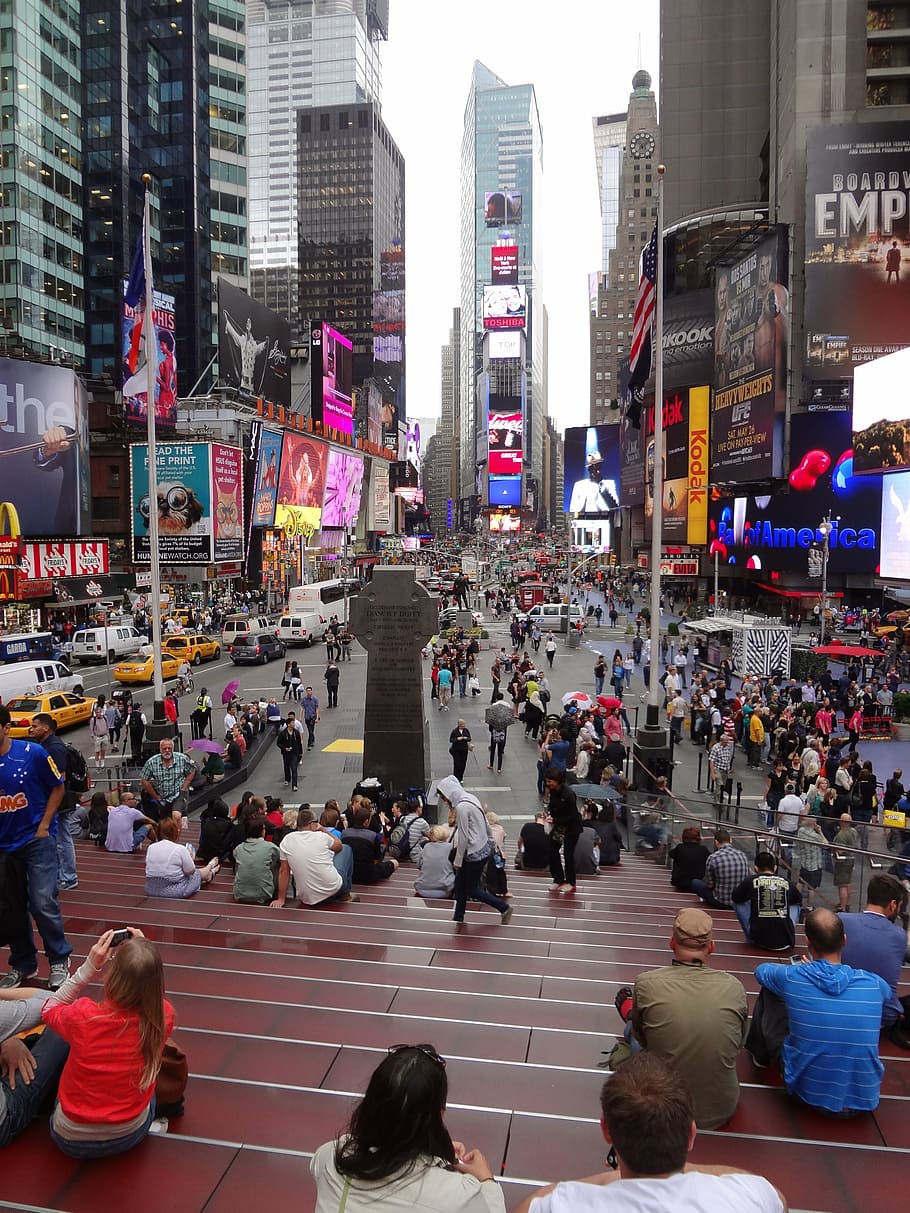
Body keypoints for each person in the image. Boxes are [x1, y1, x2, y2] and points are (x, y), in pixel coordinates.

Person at [512, 1053, 786, 1213]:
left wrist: (612, 1177)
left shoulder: (559, 1205)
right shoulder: (747, 1196)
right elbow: (776, 1198)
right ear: (691, 1133)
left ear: (607, 1131)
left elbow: (533, 1201)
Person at [310, 1043, 506, 1212]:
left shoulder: (331, 1157)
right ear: (439, 1113)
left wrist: (430, 1152)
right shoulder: (457, 1195)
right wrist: (487, 1181)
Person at [39, 928, 174, 1157]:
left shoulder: (83, 1016)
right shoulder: (163, 1015)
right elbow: (152, 996)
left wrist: (89, 966)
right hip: (128, 1134)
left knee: (69, 1044)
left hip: (68, 1138)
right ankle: (150, 1123)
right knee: (150, 1067)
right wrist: (145, 952)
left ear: (111, 976)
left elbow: (48, 1008)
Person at [613, 908, 748, 1129]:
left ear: (671, 943)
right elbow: (739, 1042)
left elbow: (644, 1042)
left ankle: (629, 1015)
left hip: (662, 1110)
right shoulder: (734, 987)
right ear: (711, 947)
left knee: (639, 1035)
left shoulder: (647, 982)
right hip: (720, 1109)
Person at [751, 908, 890, 1115]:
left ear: (808, 943)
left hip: (806, 1095)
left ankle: (760, 1057)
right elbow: (886, 994)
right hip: (864, 1100)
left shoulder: (793, 976)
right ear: (844, 940)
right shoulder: (872, 983)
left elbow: (761, 972)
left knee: (771, 991)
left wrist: (804, 971)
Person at [0, 704, 72, 991]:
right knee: (11, 908)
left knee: (42, 901)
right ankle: (23, 963)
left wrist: (44, 825)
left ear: (6, 728)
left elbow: (58, 786)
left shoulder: (32, 754)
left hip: (35, 840)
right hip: (4, 847)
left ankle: (59, 958)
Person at [840, 873, 910, 1048]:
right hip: (880, 1015)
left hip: (839, 1007)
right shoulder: (899, 935)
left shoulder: (840, 920)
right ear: (893, 905)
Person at [436, 776, 512, 925]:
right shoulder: (470, 798)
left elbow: (463, 837)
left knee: (470, 889)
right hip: (481, 848)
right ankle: (458, 916)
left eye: (444, 797)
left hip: (473, 853)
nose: (444, 801)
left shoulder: (461, 807)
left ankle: (503, 907)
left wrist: (457, 861)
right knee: (460, 885)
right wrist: (490, 841)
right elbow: (485, 822)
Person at [28, 712, 80, 892]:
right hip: (54, 801)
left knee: (62, 839)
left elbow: (60, 777)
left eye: (35, 726)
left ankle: (69, 877)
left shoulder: (54, 747)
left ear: (46, 727)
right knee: (57, 839)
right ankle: (61, 875)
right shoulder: (47, 744)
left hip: (60, 802)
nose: (31, 729)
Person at [270, 806, 358, 908]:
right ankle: (346, 894)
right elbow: (339, 846)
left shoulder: (287, 840)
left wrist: (281, 898)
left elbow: (284, 871)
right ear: (312, 824)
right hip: (332, 890)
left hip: (306, 897)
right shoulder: (322, 836)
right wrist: (323, 829)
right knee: (346, 848)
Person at [732, 851, 801, 951]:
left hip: (759, 941)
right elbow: (798, 899)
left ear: (755, 868)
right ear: (775, 868)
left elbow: (735, 897)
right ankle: (786, 928)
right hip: (786, 942)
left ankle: (751, 936)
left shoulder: (750, 880)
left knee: (739, 903)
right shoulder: (786, 881)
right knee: (795, 904)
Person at [146, 817, 219, 896]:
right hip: (174, 889)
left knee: (189, 873)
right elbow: (191, 871)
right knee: (196, 874)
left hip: (151, 888)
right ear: (176, 832)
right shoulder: (180, 849)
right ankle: (209, 868)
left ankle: (209, 872)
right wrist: (190, 859)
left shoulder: (151, 847)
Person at [690, 827, 752, 909]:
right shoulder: (742, 855)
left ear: (716, 842)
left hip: (722, 901)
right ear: (731, 840)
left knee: (695, 883)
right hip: (739, 901)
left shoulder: (713, 857)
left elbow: (709, 884)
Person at [543, 767, 583, 894]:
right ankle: (558, 878)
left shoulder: (568, 794)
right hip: (559, 826)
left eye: (550, 781)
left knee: (568, 854)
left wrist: (555, 820)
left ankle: (571, 882)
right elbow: (552, 806)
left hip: (571, 827)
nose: (548, 784)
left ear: (557, 781)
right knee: (552, 850)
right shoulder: (553, 791)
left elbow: (572, 816)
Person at [140, 738, 196, 820]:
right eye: (164, 748)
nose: (167, 750)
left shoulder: (182, 758)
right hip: (163, 797)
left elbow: (192, 770)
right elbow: (144, 779)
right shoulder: (151, 762)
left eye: (169, 748)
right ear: (160, 749)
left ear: (172, 749)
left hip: (178, 794)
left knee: (176, 815)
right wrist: (155, 796)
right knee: (165, 821)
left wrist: (185, 786)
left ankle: (177, 832)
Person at [343, 803, 398, 884]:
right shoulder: (372, 836)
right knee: (394, 863)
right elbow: (376, 860)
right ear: (366, 821)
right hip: (368, 875)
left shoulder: (344, 833)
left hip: (350, 873)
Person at [232, 816, 280, 905]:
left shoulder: (238, 848)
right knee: (279, 864)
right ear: (262, 831)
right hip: (264, 893)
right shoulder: (270, 847)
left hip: (240, 893)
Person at [414, 825, 456, 898]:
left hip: (422, 888)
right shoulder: (450, 847)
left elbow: (418, 865)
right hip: (444, 888)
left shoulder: (426, 847)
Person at [669, 826, 710, 891]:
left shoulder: (680, 848)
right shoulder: (703, 849)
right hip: (697, 883)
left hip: (680, 882)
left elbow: (671, 854)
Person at [833, 812, 859, 911]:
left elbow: (840, 850)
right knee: (848, 882)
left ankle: (842, 907)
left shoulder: (841, 835)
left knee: (842, 885)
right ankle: (847, 903)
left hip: (842, 862)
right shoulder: (853, 831)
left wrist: (835, 851)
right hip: (851, 860)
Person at [276, 711, 304, 790]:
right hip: (286, 754)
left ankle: (294, 785)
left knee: (294, 768)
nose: (293, 724)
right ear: (288, 724)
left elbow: (299, 743)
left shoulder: (296, 732)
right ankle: (287, 778)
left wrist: (300, 753)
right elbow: (278, 743)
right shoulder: (283, 733)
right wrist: (285, 748)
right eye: (292, 723)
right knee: (286, 766)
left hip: (294, 753)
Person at [708, 733, 734, 809]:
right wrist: (712, 773)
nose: (726, 743)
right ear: (721, 741)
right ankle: (718, 802)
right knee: (720, 784)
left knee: (723, 786)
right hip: (717, 769)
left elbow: (728, 758)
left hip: (725, 770)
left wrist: (729, 768)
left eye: (727, 742)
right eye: (725, 742)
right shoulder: (715, 748)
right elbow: (712, 761)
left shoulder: (728, 747)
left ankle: (717, 799)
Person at [300, 685, 320, 750]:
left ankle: (309, 744)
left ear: (311, 691)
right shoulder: (304, 699)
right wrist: (300, 716)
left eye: (309, 691)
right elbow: (302, 708)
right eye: (307, 691)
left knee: (311, 731)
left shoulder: (315, 699)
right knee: (310, 731)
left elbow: (317, 708)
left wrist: (317, 717)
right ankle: (312, 740)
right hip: (307, 717)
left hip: (313, 717)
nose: (308, 692)